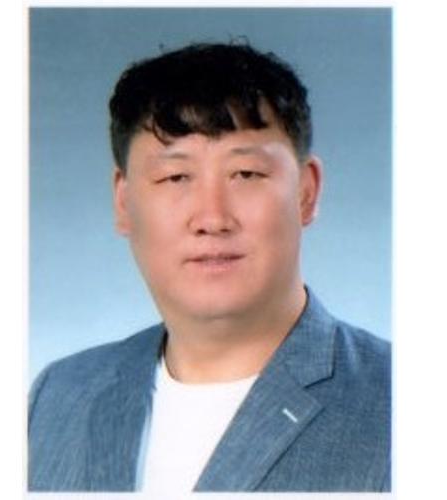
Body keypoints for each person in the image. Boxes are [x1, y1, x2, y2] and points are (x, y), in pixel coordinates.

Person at [28, 42, 391, 492]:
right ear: (123, 202)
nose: (212, 218)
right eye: (175, 177)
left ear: (306, 192)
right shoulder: (58, 395)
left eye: (246, 174)